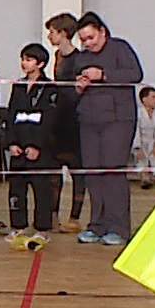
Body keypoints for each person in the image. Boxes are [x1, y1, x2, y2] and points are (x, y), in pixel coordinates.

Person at [70, 12, 143, 245]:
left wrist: (103, 75)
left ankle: (119, 227)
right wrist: (79, 88)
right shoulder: (81, 58)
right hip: (89, 120)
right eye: (83, 40)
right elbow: (70, 90)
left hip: (117, 120)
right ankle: (97, 225)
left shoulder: (120, 48)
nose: (88, 43)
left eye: (91, 37)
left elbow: (135, 74)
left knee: (113, 172)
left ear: (102, 31)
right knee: (93, 173)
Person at [5, 44, 63, 246]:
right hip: (18, 147)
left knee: (41, 190)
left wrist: (37, 145)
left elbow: (49, 120)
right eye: (23, 58)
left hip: (40, 149)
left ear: (41, 63)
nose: (24, 63)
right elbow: (11, 115)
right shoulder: (18, 86)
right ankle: (18, 226)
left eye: (29, 59)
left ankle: (42, 228)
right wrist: (11, 143)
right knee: (16, 189)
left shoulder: (50, 88)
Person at [45, 12, 88, 231]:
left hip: (74, 118)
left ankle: (74, 217)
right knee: (54, 171)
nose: (49, 36)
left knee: (77, 170)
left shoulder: (78, 58)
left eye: (52, 32)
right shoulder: (58, 56)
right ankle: (53, 215)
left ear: (63, 33)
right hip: (58, 117)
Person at [133, 85, 155, 186]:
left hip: (153, 140)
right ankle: (144, 178)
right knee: (141, 157)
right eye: (153, 97)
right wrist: (138, 147)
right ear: (144, 99)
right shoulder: (137, 113)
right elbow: (135, 131)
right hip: (140, 141)